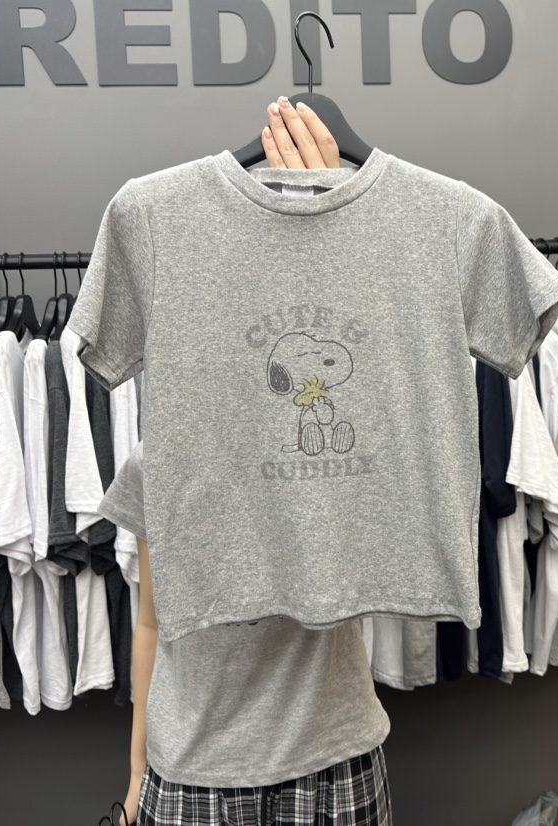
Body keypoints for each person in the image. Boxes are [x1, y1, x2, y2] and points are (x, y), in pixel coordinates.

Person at [97, 97, 394, 826]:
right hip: (191, 772)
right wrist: (135, 773)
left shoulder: (356, 441)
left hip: (335, 758)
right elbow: (151, 623)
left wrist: (329, 233)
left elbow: (367, 343)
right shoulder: (162, 455)